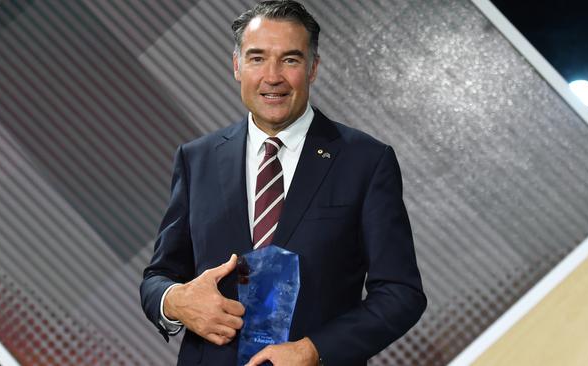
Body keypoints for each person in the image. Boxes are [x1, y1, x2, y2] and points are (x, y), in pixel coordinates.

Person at [140, 1, 426, 365]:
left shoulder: (366, 161)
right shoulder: (197, 159)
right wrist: (175, 301)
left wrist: (315, 350)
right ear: (237, 66)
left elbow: (401, 293)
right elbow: (158, 276)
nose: (272, 76)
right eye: (257, 58)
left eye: (290, 60)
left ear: (313, 69)